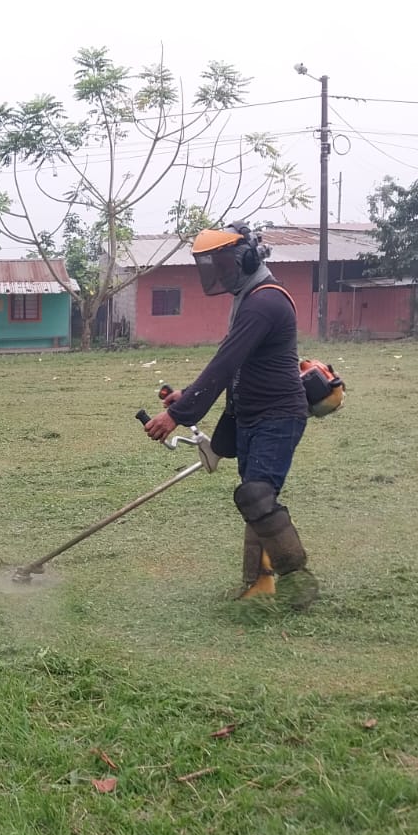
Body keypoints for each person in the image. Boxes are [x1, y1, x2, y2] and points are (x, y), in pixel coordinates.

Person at [140, 223, 318, 607]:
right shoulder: (248, 298)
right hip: (251, 416)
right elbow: (232, 362)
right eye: (213, 265)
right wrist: (188, 394)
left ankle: (298, 584)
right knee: (257, 499)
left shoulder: (264, 302)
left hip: (278, 415)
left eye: (224, 264)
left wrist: (177, 415)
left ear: (247, 258)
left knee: (256, 494)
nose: (219, 273)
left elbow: (225, 362)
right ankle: (258, 585)